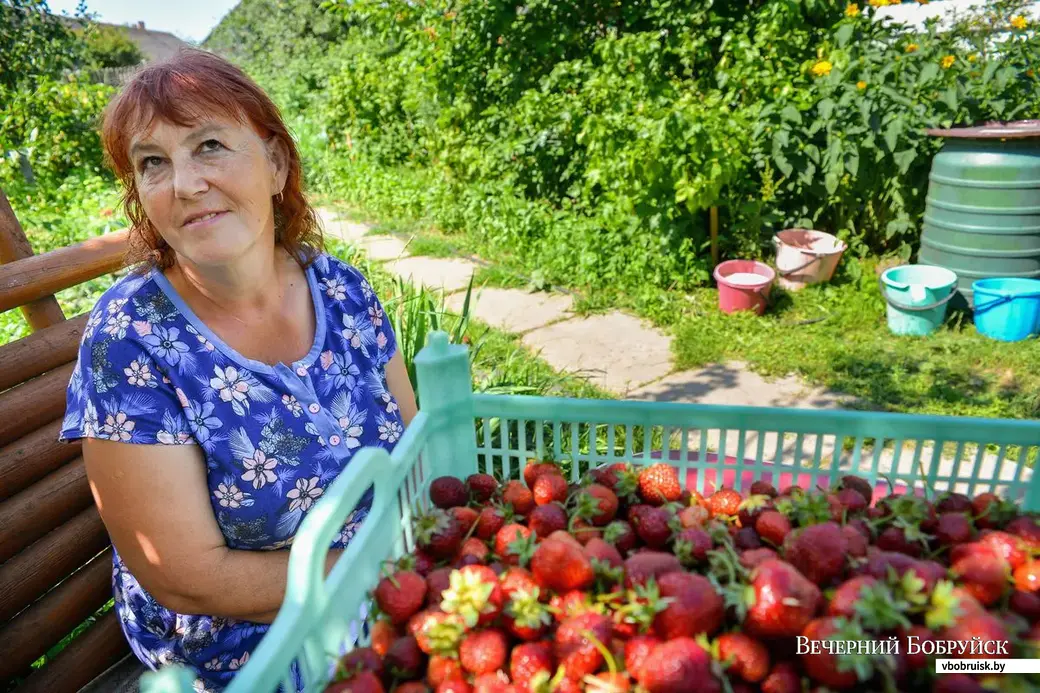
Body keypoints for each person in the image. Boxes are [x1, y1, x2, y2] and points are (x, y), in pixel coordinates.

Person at [58, 48, 418, 692]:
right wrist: (388, 572)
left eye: (210, 146)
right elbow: (187, 577)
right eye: (153, 164)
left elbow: (412, 455)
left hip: (388, 580)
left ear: (276, 163)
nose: (185, 184)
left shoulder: (339, 288)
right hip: (250, 638)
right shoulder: (132, 339)